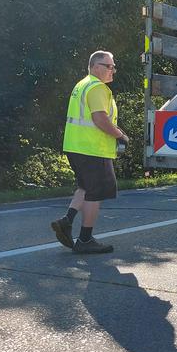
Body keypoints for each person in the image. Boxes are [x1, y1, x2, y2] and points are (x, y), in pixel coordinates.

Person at [51, 50, 129, 253]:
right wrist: (120, 135)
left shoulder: (82, 85)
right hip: (92, 149)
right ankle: (85, 240)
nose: (112, 70)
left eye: (113, 66)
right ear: (95, 67)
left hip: (77, 146)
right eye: (108, 66)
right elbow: (100, 119)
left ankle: (66, 221)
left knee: (85, 187)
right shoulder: (97, 87)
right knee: (96, 192)